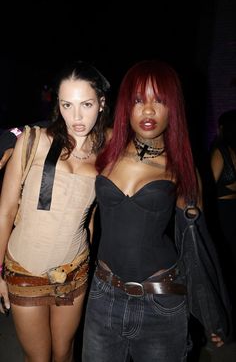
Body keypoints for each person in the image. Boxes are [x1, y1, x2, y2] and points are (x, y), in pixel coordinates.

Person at [82, 59, 229, 362]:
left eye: (159, 100)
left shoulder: (181, 170)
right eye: (138, 100)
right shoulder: (108, 145)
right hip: (103, 295)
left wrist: (211, 310)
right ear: (126, 106)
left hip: (160, 303)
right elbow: (67, 128)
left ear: (172, 107)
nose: (148, 110)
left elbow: (198, 245)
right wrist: (16, 139)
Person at [0, 60, 110, 362]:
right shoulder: (33, 141)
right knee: (39, 358)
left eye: (86, 104)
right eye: (67, 105)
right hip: (25, 271)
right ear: (57, 105)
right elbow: (6, 211)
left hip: (74, 271)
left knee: (64, 354)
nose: (76, 116)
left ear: (101, 103)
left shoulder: (108, 152)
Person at [210, 109, 236, 336]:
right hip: (233, 210)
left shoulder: (221, 152)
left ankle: (224, 320)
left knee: (222, 264)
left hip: (222, 212)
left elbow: (209, 185)